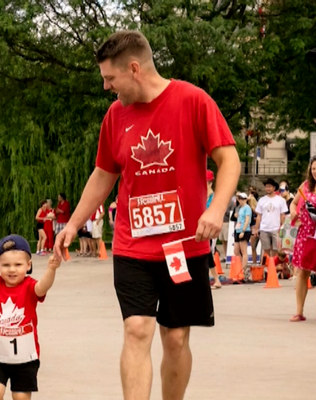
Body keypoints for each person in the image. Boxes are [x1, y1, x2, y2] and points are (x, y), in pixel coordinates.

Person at [54, 30, 240, 400]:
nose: (107, 87)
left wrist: (216, 209)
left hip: (185, 247)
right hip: (132, 246)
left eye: (110, 78)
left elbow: (228, 159)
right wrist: (73, 223)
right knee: (137, 328)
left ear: (134, 68)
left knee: (175, 337)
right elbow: (103, 174)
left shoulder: (193, 101)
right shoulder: (116, 115)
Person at [0, 234, 59, 400]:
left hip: (25, 357)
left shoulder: (30, 286)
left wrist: (51, 269)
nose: (12, 269)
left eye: (18, 264)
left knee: (20, 397)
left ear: (28, 265)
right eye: (6, 265)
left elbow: (42, 287)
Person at [288, 157, 316, 322]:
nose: (315, 172)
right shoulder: (305, 186)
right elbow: (293, 203)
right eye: (313, 169)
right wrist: (293, 211)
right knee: (302, 273)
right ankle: (299, 311)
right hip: (306, 235)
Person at [255, 178, 288, 259]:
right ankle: (267, 267)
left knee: (276, 250)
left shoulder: (281, 200)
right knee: (266, 250)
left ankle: (274, 267)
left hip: (276, 228)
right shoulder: (261, 200)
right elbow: (259, 215)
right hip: (264, 228)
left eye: (269, 186)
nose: (267, 188)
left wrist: (283, 228)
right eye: (266, 186)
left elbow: (282, 215)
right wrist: (256, 228)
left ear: (274, 188)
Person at [205, 171, 222, 288]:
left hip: (210, 230)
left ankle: (216, 279)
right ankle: (214, 280)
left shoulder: (214, 197)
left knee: (207, 254)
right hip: (202, 228)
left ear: (210, 183)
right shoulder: (201, 195)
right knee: (206, 255)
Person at [233, 192, 252, 282]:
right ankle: (241, 267)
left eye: (242, 199)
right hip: (238, 229)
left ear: (245, 199)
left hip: (244, 230)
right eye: (240, 198)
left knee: (244, 250)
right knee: (236, 250)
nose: (241, 200)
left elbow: (247, 220)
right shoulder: (240, 208)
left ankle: (244, 269)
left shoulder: (247, 208)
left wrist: (243, 231)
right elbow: (240, 219)